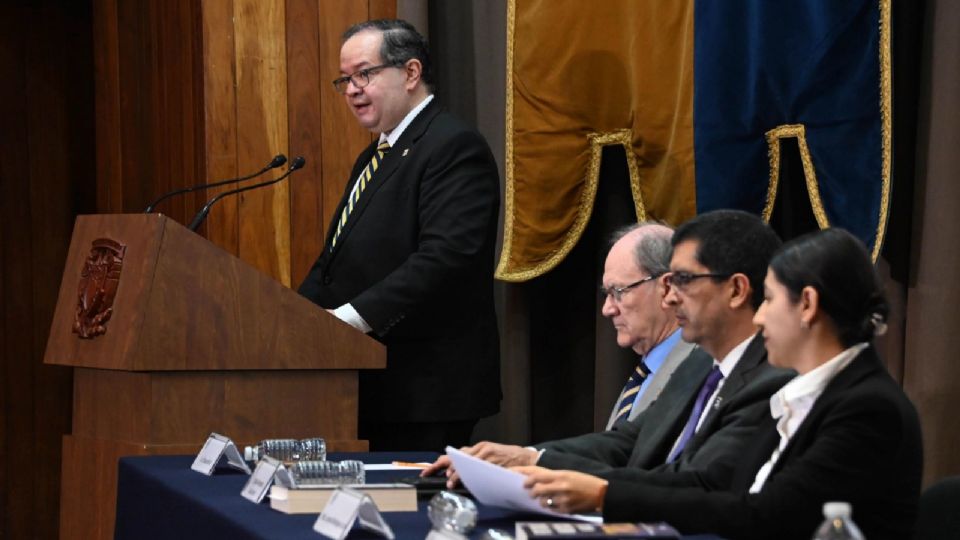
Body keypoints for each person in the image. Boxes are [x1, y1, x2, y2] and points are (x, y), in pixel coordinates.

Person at [517, 228, 923, 540]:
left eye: (768, 300)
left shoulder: (867, 406)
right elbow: (716, 489)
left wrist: (605, 495)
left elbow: (763, 515)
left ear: (808, 305)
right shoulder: (819, 391)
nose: (758, 318)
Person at [424, 210, 793, 488]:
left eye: (682, 281)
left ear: (737, 290)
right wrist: (529, 457)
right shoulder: (703, 366)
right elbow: (629, 440)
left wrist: (596, 492)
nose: (671, 295)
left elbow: (699, 482)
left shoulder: (770, 379)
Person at [297, 20, 501, 451]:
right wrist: (294, 322)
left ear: (410, 73)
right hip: (371, 383)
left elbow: (445, 259)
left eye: (364, 74)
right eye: (344, 79)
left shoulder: (453, 145)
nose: (352, 89)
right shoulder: (374, 156)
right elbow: (334, 261)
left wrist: (348, 321)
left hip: (425, 390)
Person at [600, 222, 696, 429]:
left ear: (667, 287)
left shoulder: (697, 368)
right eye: (607, 294)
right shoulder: (644, 374)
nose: (607, 309)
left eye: (618, 291)